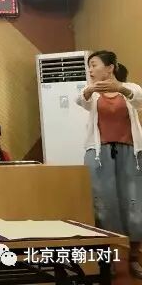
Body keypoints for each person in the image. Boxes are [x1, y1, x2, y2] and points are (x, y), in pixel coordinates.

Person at [75, 50, 142, 277]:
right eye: (89, 66)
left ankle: (135, 257)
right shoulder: (92, 93)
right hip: (99, 155)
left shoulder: (130, 88)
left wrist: (120, 88)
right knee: (102, 206)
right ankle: (108, 259)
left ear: (110, 67)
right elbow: (80, 99)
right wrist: (90, 89)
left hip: (130, 154)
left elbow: (139, 99)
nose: (90, 70)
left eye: (94, 65)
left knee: (134, 203)